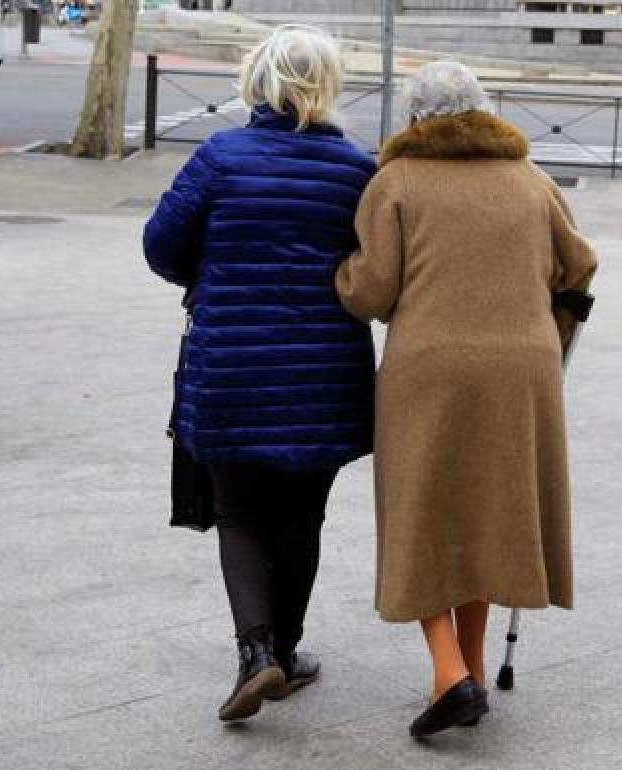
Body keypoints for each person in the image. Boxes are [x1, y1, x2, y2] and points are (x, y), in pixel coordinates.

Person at [336, 61, 598, 738]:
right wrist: (544, 330)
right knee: (487, 510)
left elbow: (369, 293)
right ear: (482, 108)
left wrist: (339, 275)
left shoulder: (395, 181)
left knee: (423, 509)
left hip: (430, 371)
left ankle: (452, 672)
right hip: (521, 371)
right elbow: (580, 267)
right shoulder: (530, 180)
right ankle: (468, 670)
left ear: (415, 117)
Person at [143, 25, 376, 722]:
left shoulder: (221, 157)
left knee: (238, 513)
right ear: (325, 86)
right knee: (303, 515)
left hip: (232, 368)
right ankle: (288, 650)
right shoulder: (355, 169)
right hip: (326, 372)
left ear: (257, 83)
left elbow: (160, 246)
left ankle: (258, 654)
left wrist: (213, 276)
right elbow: (372, 268)